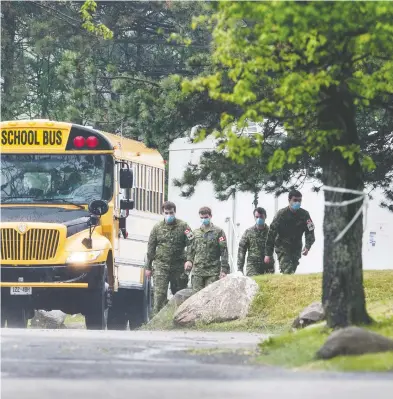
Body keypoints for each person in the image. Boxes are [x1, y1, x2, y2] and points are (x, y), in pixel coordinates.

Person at [145, 201, 194, 314]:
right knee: (159, 295)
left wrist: (189, 260)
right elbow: (151, 248)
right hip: (161, 266)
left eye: (171, 213)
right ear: (163, 212)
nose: (169, 215)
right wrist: (148, 267)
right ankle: (157, 323)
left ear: (174, 212)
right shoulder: (157, 228)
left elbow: (192, 243)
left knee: (180, 294)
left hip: (178, 266)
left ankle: (179, 319)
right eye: (166, 213)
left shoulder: (183, 226)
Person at [264, 189, 315, 274]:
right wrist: (268, 254)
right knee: (288, 271)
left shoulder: (305, 214)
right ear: (289, 200)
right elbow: (271, 234)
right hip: (282, 247)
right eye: (295, 200)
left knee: (291, 271)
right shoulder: (281, 214)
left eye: (299, 200)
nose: (297, 202)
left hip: (296, 248)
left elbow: (310, 231)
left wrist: (307, 246)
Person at [185, 206, 229, 292]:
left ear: (210, 216)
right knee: (196, 297)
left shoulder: (219, 232)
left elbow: (224, 251)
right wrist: (189, 260)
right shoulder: (195, 232)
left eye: (206, 217)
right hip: (197, 271)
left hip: (212, 272)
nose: (204, 219)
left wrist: (224, 270)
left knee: (210, 297)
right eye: (202, 218)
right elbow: (191, 249)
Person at [237, 207, 275, 276]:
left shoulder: (271, 232)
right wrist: (240, 269)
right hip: (253, 267)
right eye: (257, 217)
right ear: (254, 217)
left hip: (268, 266)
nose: (259, 219)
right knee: (253, 284)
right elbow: (241, 250)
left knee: (268, 286)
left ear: (265, 217)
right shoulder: (248, 232)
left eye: (261, 217)